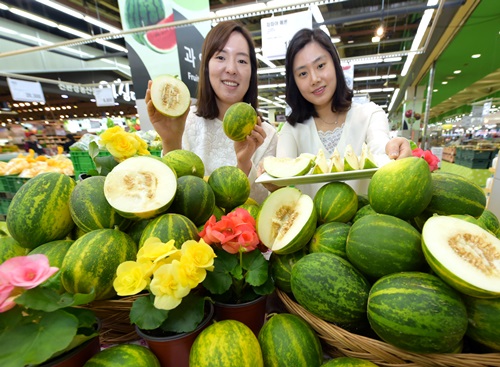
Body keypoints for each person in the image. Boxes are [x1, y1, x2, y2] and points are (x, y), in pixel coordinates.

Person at [145, 21, 277, 204]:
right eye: (221, 57)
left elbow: (264, 207)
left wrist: (244, 163)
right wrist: (171, 140)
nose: (231, 69)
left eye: (242, 61)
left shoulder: (266, 135)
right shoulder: (185, 122)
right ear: (206, 66)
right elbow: (168, 198)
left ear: (251, 73)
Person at [274, 28, 412, 197]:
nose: (314, 79)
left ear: (335, 64)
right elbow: (282, 170)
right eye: (303, 73)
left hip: (365, 221)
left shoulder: (370, 115)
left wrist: (395, 149)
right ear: (293, 81)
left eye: (320, 66)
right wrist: (271, 176)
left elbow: (380, 148)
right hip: (313, 223)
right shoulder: (292, 130)